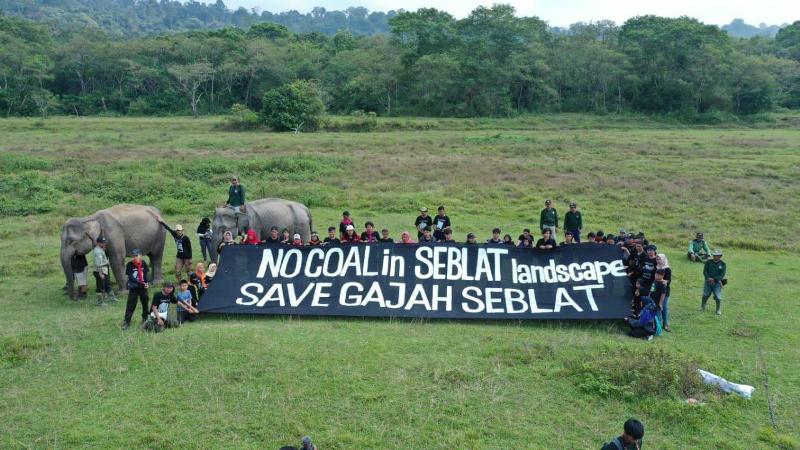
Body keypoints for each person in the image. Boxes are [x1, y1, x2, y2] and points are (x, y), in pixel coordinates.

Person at [155, 217, 193, 282]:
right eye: (177, 230)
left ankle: (190, 282)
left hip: (187, 257)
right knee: (177, 271)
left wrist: (190, 259)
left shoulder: (186, 238)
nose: (178, 231)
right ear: (176, 231)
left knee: (189, 271)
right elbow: (168, 228)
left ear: (182, 230)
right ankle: (180, 282)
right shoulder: (174, 235)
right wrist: (161, 221)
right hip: (179, 256)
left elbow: (190, 248)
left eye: (180, 230)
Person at [122, 249, 150, 330]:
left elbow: (145, 275)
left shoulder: (143, 263)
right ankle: (127, 321)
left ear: (141, 256)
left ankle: (145, 318)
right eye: (134, 256)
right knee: (131, 304)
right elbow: (130, 276)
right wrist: (139, 282)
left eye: (136, 255)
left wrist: (146, 283)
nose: (135, 257)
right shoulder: (130, 264)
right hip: (134, 287)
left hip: (143, 287)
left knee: (145, 303)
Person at [702, 249, 727, 315]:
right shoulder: (708, 262)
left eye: (717, 255)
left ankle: (718, 309)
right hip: (708, 281)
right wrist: (708, 278)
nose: (715, 257)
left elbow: (722, 274)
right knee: (705, 294)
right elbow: (705, 271)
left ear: (720, 256)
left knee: (718, 296)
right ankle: (702, 306)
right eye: (714, 255)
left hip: (718, 282)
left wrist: (714, 280)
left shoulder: (723, 264)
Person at [92, 237, 115, 305]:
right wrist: (100, 273)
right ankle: (100, 302)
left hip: (104, 269)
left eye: (104, 242)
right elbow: (98, 264)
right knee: (100, 287)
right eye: (103, 242)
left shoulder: (100, 249)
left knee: (107, 284)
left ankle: (111, 298)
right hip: (100, 270)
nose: (104, 243)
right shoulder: (98, 252)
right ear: (98, 243)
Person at [656, 254, 672, 331]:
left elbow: (668, 281)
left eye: (659, 259)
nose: (658, 260)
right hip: (656, 290)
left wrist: (660, 280)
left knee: (664, 307)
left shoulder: (667, 269)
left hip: (664, 291)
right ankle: (658, 324)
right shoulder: (656, 267)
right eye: (657, 259)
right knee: (658, 307)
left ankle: (666, 324)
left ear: (663, 259)